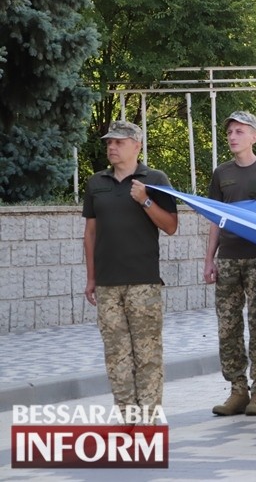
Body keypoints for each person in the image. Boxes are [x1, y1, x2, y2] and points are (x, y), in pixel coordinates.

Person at [83, 120, 179, 421]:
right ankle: (128, 418)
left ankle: (149, 418)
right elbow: (90, 233)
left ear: (137, 145)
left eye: (119, 142)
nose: (112, 147)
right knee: (116, 356)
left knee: (147, 355)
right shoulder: (96, 183)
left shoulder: (155, 179)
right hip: (108, 284)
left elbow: (171, 226)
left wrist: (145, 200)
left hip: (143, 283)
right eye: (109, 142)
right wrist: (91, 277)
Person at [205, 111, 256, 416]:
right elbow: (215, 218)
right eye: (230, 132)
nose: (233, 136)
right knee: (228, 327)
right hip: (228, 259)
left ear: (254, 136)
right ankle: (237, 390)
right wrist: (209, 260)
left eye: (240, 131)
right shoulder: (221, 173)